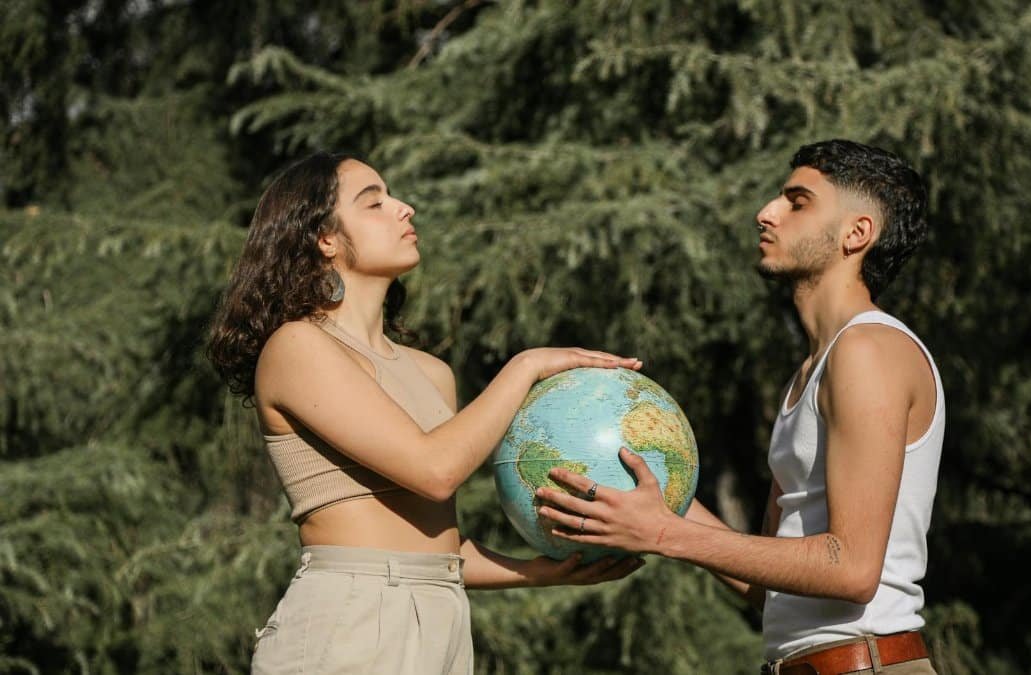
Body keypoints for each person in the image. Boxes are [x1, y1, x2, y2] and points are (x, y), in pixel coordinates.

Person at [207, 152, 644, 674]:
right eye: (374, 203)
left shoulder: (432, 372)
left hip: (443, 616)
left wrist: (540, 571)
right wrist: (525, 366)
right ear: (324, 239)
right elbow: (435, 471)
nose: (405, 208)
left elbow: (436, 547)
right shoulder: (297, 347)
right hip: (350, 617)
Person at [535, 139, 943, 674]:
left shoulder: (868, 350)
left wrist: (663, 532)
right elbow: (767, 586)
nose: (766, 213)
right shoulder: (813, 370)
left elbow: (851, 568)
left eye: (797, 202)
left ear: (857, 233)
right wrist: (649, 485)